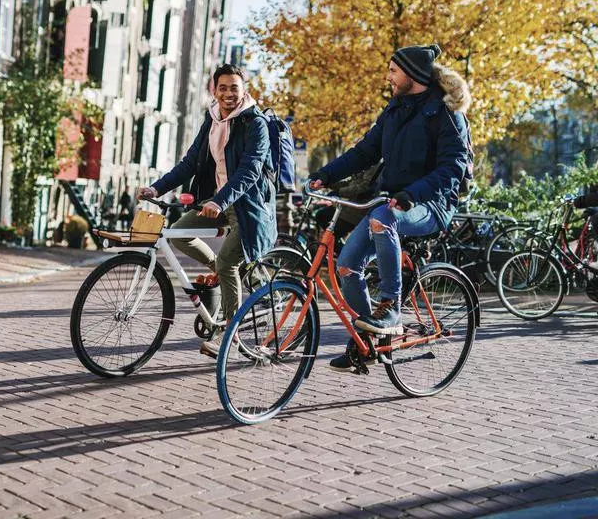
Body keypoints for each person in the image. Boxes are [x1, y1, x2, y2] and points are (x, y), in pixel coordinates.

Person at [308, 44, 471, 372]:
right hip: (393, 203)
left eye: (394, 71)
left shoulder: (446, 113)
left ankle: (391, 308)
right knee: (346, 266)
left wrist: (412, 193)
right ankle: (367, 342)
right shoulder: (395, 110)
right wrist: (325, 176)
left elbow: (454, 167)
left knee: (382, 217)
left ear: (412, 74)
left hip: (431, 204)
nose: (389, 77)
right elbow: (364, 151)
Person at [137, 64, 278, 358]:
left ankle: (230, 333)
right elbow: (190, 162)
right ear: (214, 90)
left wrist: (220, 201)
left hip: (248, 207)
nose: (228, 93)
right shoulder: (212, 119)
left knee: (228, 262)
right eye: (222, 88)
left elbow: (249, 171)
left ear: (244, 89)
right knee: (177, 234)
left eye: (234, 88)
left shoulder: (256, 124)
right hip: (216, 202)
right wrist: (157, 188)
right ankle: (229, 274)